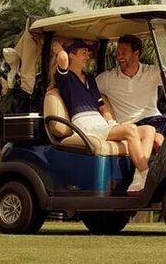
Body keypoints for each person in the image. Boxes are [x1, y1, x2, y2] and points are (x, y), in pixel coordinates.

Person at [52, 39, 154, 194]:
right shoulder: (65, 79)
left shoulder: (90, 79)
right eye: (83, 53)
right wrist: (59, 48)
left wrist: (112, 123)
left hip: (100, 124)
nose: (87, 56)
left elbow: (102, 106)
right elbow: (63, 59)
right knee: (131, 130)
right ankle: (146, 175)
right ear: (72, 55)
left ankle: (139, 178)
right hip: (85, 125)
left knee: (148, 130)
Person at [96, 35, 166, 151]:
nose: (119, 56)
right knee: (158, 140)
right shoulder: (107, 78)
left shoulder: (151, 72)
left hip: (156, 119)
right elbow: (86, 91)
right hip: (133, 126)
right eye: (118, 52)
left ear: (136, 54)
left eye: (124, 52)